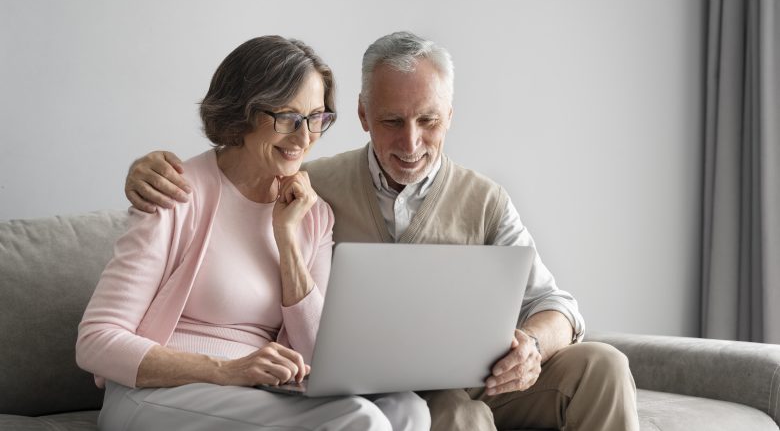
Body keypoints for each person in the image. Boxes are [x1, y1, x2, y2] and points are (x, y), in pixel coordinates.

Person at [124, 31, 641, 431]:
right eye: (393, 121)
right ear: (363, 115)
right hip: (400, 389)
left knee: (603, 365)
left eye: (428, 121)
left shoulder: (486, 200)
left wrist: (531, 343)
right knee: (452, 415)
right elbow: (235, 174)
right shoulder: (308, 186)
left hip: (489, 375)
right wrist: (146, 171)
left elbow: (556, 303)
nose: (411, 142)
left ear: (450, 116)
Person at [76, 35, 430, 431]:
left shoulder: (314, 214)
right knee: (360, 419)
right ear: (241, 112)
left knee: (409, 410)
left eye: (316, 118)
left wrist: (288, 239)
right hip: (157, 394)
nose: (303, 137)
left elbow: (319, 354)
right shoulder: (174, 192)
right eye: (287, 118)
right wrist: (228, 370)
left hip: (256, 390)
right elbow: (96, 341)